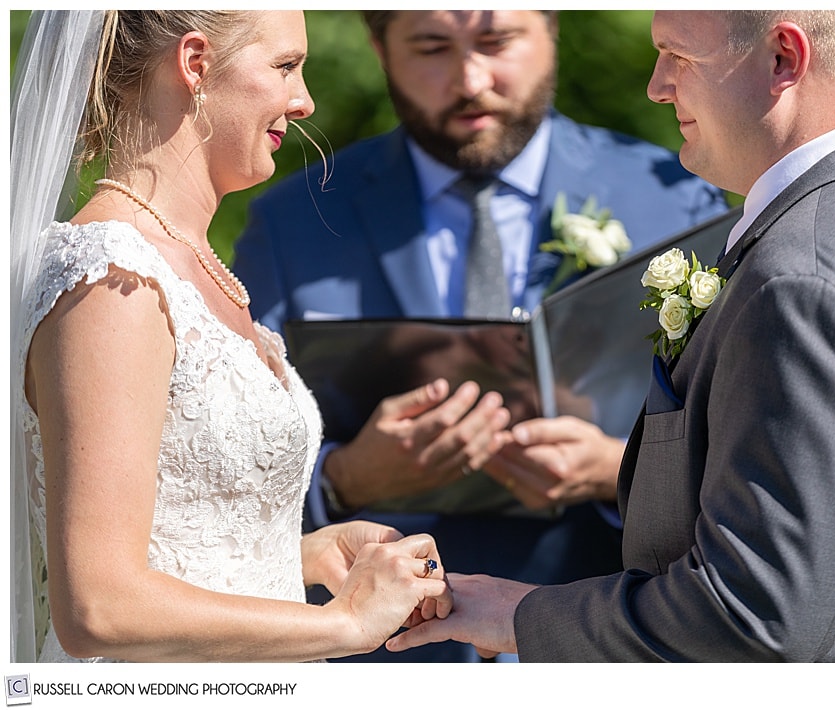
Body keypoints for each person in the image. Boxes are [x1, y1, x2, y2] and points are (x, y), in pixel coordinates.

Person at [386, 10, 835, 662]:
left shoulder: (804, 282)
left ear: (784, 58)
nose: (656, 84)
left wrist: (521, 617)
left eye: (677, 55)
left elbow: (748, 623)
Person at [232, 9, 727, 662]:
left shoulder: (677, 198)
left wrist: (617, 470)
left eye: (496, 42)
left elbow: (743, 450)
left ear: (552, 32)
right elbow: (229, 480)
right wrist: (345, 479)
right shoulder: (293, 220)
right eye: (433, 46)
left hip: (600, 636)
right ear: (380, 49)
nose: (470, 80)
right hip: (387, 658)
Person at [10, 9, 452, 664]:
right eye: (285, 66)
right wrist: (348, 622)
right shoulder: (111, 280)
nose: (303, 102)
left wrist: (296, 555)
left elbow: (169, 537)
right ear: (195, 64)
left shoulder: (190, 265)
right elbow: (98, 607)